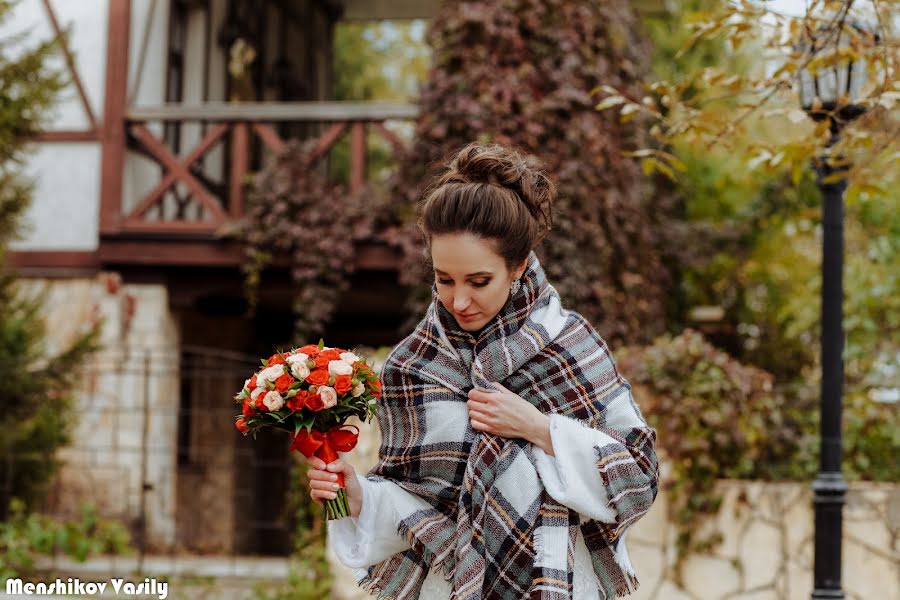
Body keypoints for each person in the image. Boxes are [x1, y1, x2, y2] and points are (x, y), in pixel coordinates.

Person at [305, 143, 659, 599]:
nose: (459, 301)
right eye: (444, 279)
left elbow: (638, 479)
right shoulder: (412, 365)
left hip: (558, 582)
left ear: (517, 266)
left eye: (478, 281)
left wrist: (539, 427)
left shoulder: (571, 345)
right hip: (447, 587)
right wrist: (359, 499)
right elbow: (414, 510)